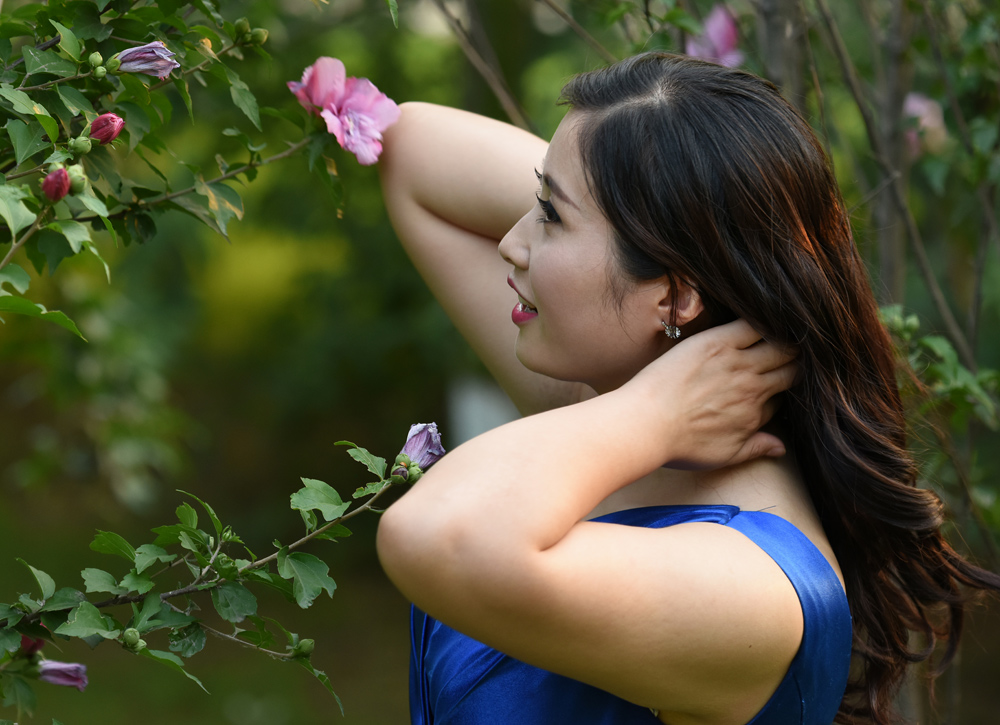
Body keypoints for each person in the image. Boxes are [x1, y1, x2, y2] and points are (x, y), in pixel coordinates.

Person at [374, 52, 1000, 725]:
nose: (510, 242)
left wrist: (653, 411)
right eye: (534, 203)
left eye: (549, 217)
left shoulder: (753, 583)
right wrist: (627, 177)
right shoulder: (601, 410)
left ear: (673, 293)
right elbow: (410, 147)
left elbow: (431, 534)